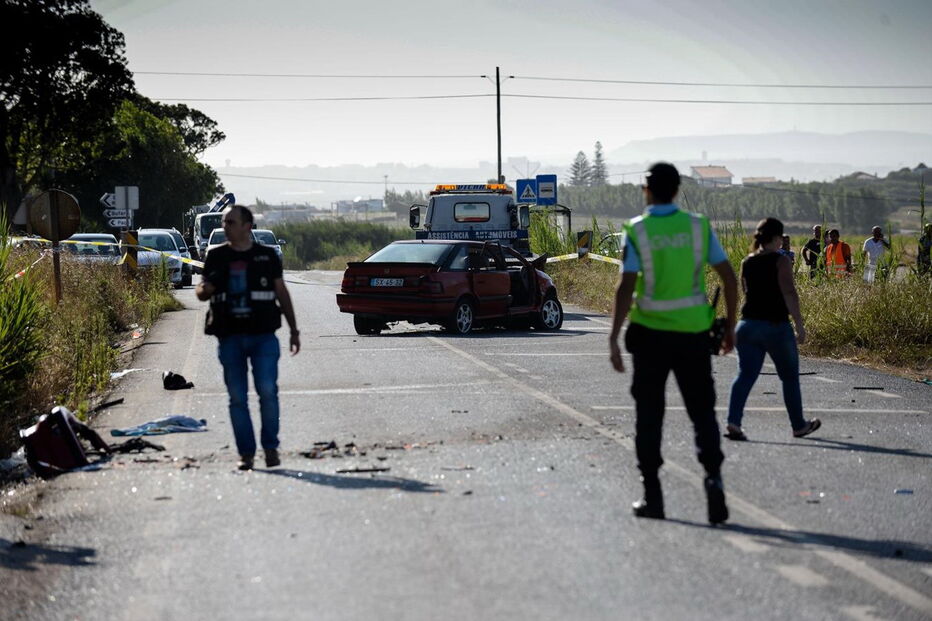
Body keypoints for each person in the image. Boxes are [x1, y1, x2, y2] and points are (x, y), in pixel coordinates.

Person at [609, 162, 738, 525]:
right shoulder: (698, 227)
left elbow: (626, 286)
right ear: (678, 190)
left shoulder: (637, 230)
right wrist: (730, 326)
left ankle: (653, 496)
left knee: (649, 417)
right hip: (694, 337)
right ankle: (713, 479)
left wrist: (614, 337)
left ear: (647, 190)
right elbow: (729, 279)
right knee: (702, 414)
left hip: (649, 337)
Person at [195, 205, 301, 471]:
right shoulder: (216, 256)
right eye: (224, 222)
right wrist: (204, 289)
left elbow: (281, 292)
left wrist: (294, 330)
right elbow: (201, 290)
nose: (225, 227)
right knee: (237, 398)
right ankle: (246, 454)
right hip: (229, 338)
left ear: (247, 226)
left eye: (230, 222)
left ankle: (270, 448)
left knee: (268, 392)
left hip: (263, 336)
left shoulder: (266, 256)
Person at [725, 218, 822, 442]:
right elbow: (789, 292)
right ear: (777, 238)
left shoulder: (746, 261)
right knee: (789, 378)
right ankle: (798, 425)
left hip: (747, 325)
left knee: (745, 375)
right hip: (775, 326)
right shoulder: (781, 261)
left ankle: (733, 421)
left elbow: (745, 291)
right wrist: (799, 324)